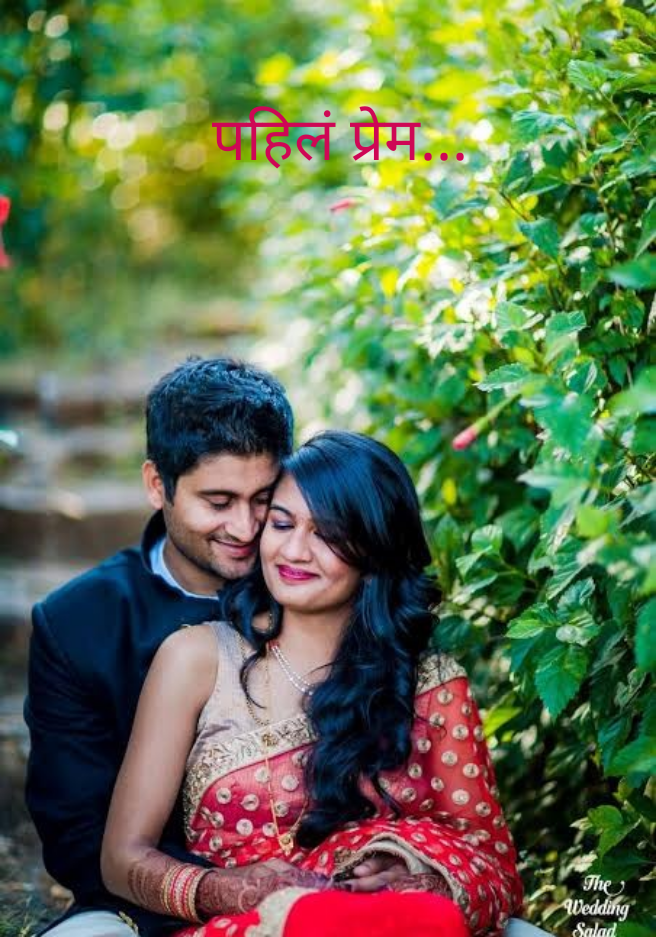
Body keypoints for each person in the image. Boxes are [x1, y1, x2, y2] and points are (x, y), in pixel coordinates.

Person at [99, 431, 525, 937]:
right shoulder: (198, 659)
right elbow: (121, 859)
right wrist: (225, 889)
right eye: (281, 524)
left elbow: (494, 869)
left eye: (327, 535)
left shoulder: (430, 682)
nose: (294, 550)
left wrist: (420, 874)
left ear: (375, 549)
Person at [24, 356, 294, 937]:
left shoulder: (313, 581)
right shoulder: (78, 623)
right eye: (217, 502)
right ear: (157, 485)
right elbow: (77, 838)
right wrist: (219, 889)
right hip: (144, 908)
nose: (246, 528)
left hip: (315, 890)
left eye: (264, 499)